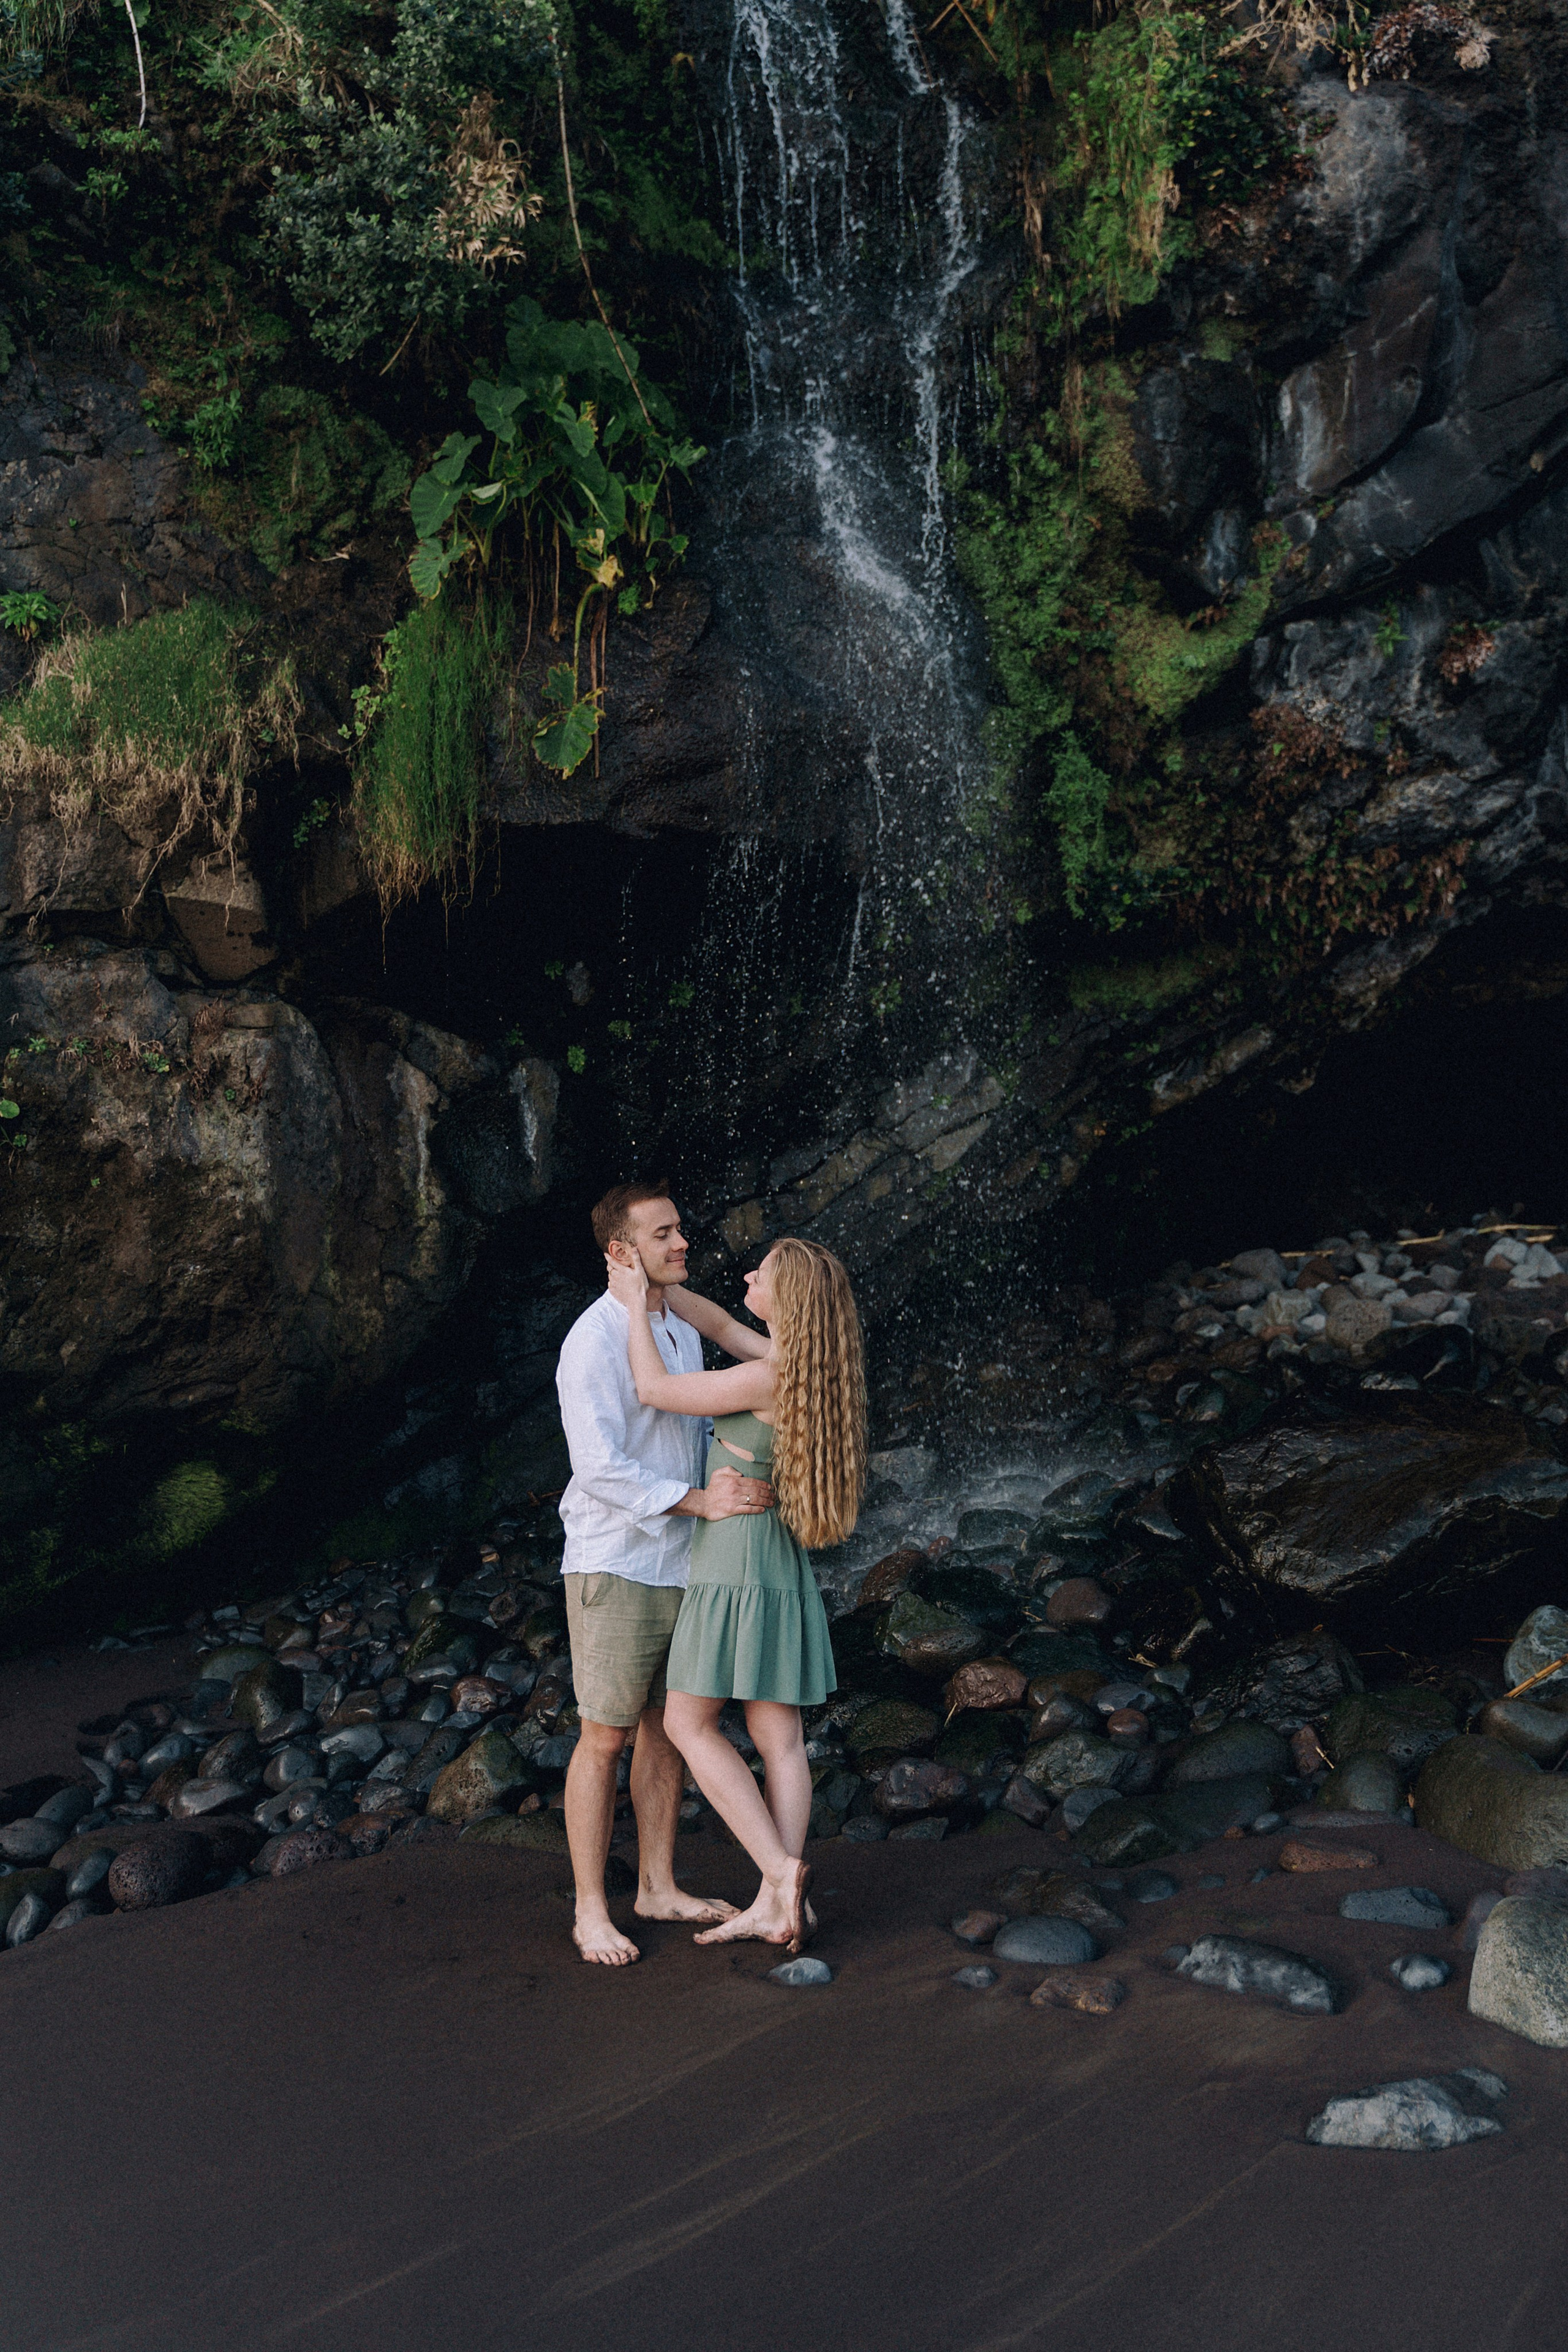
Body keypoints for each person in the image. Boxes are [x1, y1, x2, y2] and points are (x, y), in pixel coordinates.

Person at [605, 1235, 865, 1954]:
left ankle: (780, 1877)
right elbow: (718, 1325)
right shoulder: (806, 1368)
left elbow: (654, 1390)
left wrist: (633, 1305)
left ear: (791, 1302)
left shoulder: (768, 1377)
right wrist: (656, 1282)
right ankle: (782, 1907)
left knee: (688, 1724)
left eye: (763, 1274)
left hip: (736, 1560)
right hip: (776, 1561)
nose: (747, 1275)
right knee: (778, 1738)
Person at [555, 1180, 774, 1966]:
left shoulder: (671, 1319)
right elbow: (599, 1469)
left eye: (680, 1229)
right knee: (604, 1737)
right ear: (621, 1252)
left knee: (665, 1735)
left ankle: (656, 1885)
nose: (683, 1243)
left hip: (681, 1561)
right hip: (616, 1562)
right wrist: (700, 1501)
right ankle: (589, 1909)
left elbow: (717, 1347)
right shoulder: (592, 1339)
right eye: (663, 1234)